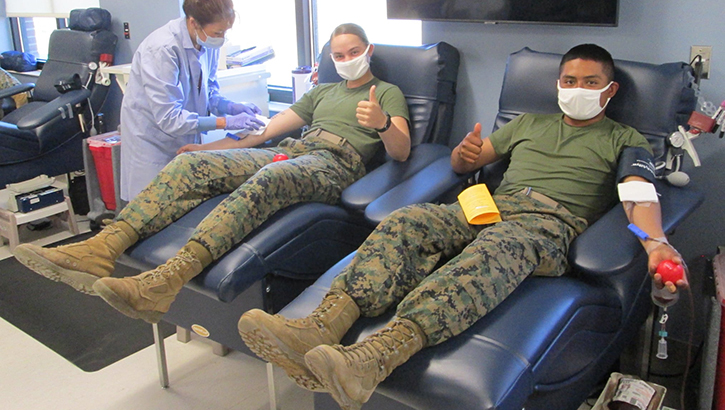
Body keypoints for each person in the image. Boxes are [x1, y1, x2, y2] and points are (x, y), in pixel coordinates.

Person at [237, 44, 689, 409]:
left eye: (590, 83)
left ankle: (373, 359)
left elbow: (637, 193)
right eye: (570, 81)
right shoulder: (529, 123)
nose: (578, 89)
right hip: (488, 206)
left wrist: (655, 244)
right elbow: (464, 161)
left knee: (493, 249)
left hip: (547, 224)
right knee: (408, 222)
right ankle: (323, 325)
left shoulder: (624, 139)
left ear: (609, 92)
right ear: (557, 85)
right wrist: (465, 153)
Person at [13, 23, 411, 325]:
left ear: (368, 51)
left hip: (335, 166)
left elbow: (402, 149)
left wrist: (380, 123)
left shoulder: (386, 92)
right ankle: (101, 248)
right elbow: (264, 133)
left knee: (268, 181)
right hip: (291, 152)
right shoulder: (322, 92)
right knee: (189, 166)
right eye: (338, 55)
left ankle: (167, 280)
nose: (345, 60)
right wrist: (206, 150)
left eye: (353, 52)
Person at [119, 0, 265, 201]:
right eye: (217, 33)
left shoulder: (207, 42)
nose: (221, 38)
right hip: (152, 141)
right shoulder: (162, 48)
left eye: (225, 32)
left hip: (184, 136)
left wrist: (230, 107)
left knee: (182, 202)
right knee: (150, 207)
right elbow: (169, 118)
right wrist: (225, 122)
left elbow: (209, 91)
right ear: (194, 22)